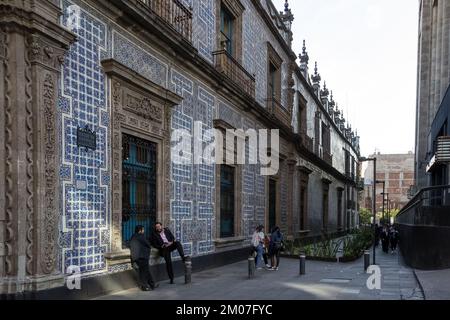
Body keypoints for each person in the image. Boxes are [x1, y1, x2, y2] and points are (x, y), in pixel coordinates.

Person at [129, 225, 157, 291]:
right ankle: (144, 287)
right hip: (142, 257)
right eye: (143, 229)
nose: (144, 231)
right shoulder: (141, 236)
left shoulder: (133, 236)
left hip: (136, 257)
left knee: (146, 270)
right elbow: (148, 244)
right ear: (140, 230)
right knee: (143, 272)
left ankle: (152, 284)